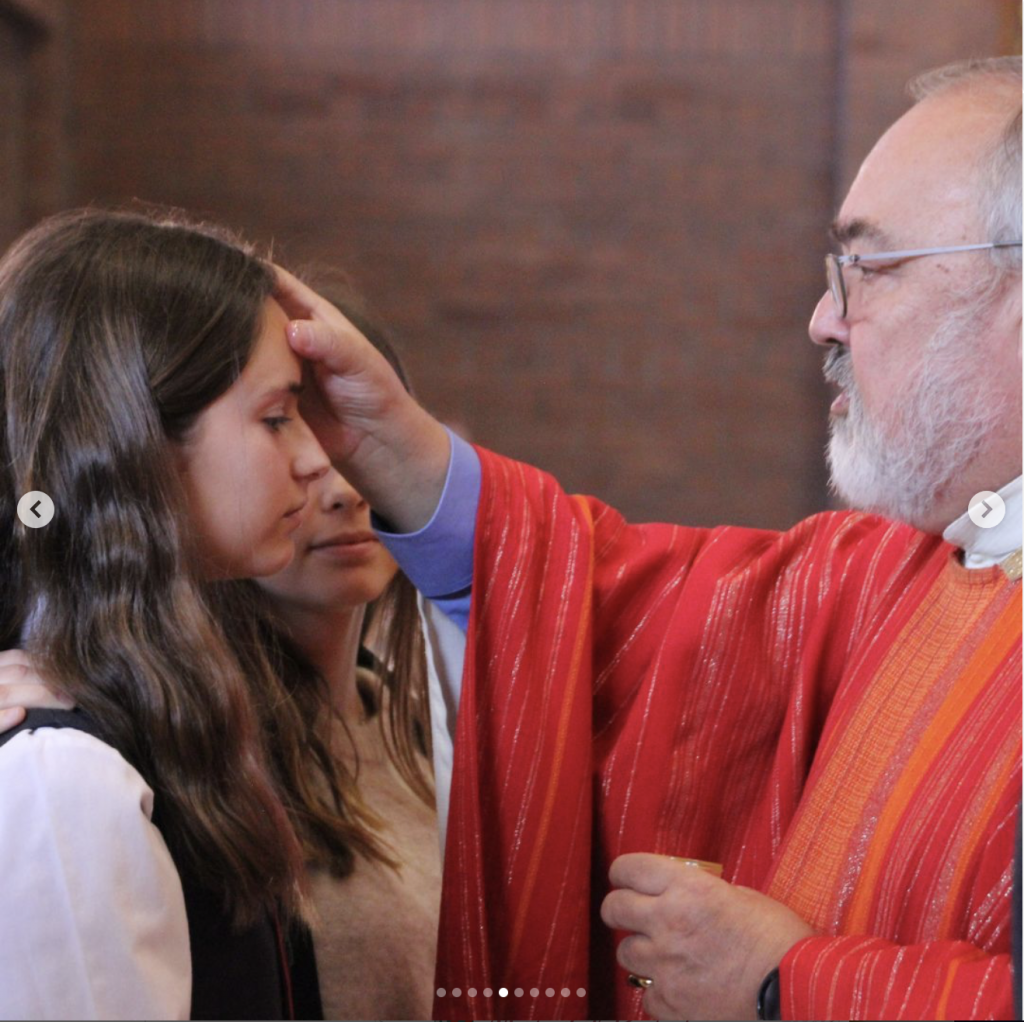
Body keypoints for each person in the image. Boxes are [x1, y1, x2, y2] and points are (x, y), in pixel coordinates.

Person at [266, 55, 1021, 1020]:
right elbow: (627, 611)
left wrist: (785, 984)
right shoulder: (912, 569)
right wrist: (392, 452)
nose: (823, 320)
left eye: (869, 268)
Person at [0, 206, 339, 1019]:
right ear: (139, 439)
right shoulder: (63, 778)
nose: (314, 458)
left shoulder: (177, 701)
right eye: (276, 417)